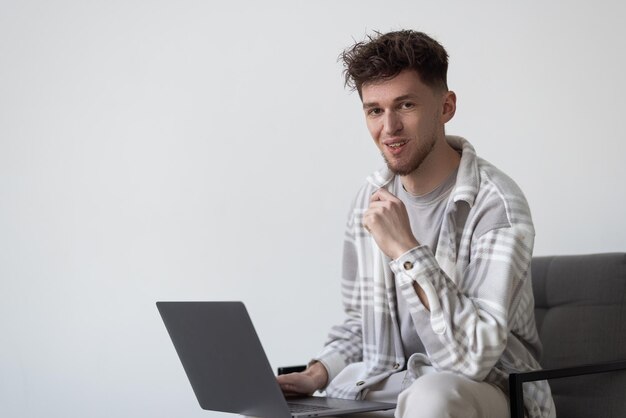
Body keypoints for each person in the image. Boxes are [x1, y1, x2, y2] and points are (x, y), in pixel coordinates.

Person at [277, 30, 555, 418]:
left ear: (446, 106)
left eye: (405, 105)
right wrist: (317, 373)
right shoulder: (371, 197)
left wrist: (406, 250)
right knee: (287, 405)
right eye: (374, 110)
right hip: (393, 382)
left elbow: (473, 359)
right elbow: (362, 322)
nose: (388, 127)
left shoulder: (497, 204)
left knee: (432, 397)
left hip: (488, 389)